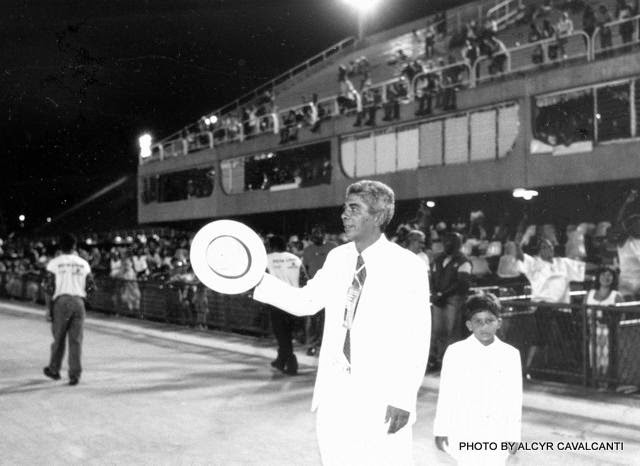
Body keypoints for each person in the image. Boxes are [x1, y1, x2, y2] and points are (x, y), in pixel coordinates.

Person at [252, 180, 431, 466]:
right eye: (345, 208)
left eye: (354, 209)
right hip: (335, 391)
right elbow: (305, 302)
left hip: (381, 392)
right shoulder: (337, 258)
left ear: (377, 215)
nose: (344, 215)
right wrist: (255, 281)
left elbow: (417, 337)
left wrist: (404, 397)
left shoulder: (407, 266)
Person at [434, 293, 522, 465]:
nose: (484, 327)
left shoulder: (510, 354)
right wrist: (441, 429)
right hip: (464, 428)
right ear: (469, 325)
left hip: (497, 432)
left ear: (499, 323)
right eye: (478, 321)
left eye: (490, 321)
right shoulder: (455, 352)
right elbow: (446, 393)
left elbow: (514, 398)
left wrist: (514, 435)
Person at [515, 237, 585, 379]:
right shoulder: (534, 263)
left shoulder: (563, 262)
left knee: (569, 338)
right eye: (545, 247)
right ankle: (527, 370)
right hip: (542, 307)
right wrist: (518, 242)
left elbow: (582, 267)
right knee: (539, 339)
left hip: (563, 308)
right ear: (539, 250)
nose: (549, 249)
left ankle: (573, 371)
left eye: (551, 246)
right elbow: (520, 256)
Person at [43, 233, 95, 386]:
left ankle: (54, 369)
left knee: (58, 338)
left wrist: (48, 309)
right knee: (76, 340)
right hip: (79, 302)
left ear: (61, 246)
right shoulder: (84, 264)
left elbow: (48, 288)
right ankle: (75, 374)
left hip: (61, 302)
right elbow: (91, 287)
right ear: (75, 246)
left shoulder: (54, 263)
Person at [266, 235, 308, 375]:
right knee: (287, 333)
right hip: (294, 300)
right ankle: (280, 360)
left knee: (281, 334)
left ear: (272, 246)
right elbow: (304, 280)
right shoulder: (295, 259)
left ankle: (291, 362)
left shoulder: (267, 260)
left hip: (277, 302)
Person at [429, 231, 471, 371]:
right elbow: (433, 278)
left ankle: (448, 361)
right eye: (446, 241)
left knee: (451, 331)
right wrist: (435, 293)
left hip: (454, 299)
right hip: (438, 299)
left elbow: (462, 284)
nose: (448, 244)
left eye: (452, 242)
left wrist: (443, 294)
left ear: (458, 244)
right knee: (436, 331)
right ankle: (436, 359)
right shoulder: (438, 258)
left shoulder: (464, 261)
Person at [302, 225, 338, 356]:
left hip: (331, 288)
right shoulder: (308, 250)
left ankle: (326, 345)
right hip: (314, 288)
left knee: (329, 319)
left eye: (319, 234)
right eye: (314, 234)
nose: (316, 236)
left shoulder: (332, 247)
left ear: (324, 235)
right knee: (312, 318)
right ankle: (312, 345)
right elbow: (305, 268)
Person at [583, 266, 623, 385]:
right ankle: (594, 385)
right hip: (592, 333)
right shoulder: (589, 294)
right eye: (603, 275)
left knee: (606, 362)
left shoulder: (616, 296)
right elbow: (583, 314)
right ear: (598, 277)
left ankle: (605, 385)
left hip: (609, 335)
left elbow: (620, 317)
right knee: (592, 361)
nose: (606, 278)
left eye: (609, 275)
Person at [612, 190, 640, 300]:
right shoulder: (624, 241)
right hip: (626, 282)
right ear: (629, 227)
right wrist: (627, 203)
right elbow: (618, 222)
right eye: (636, 224)